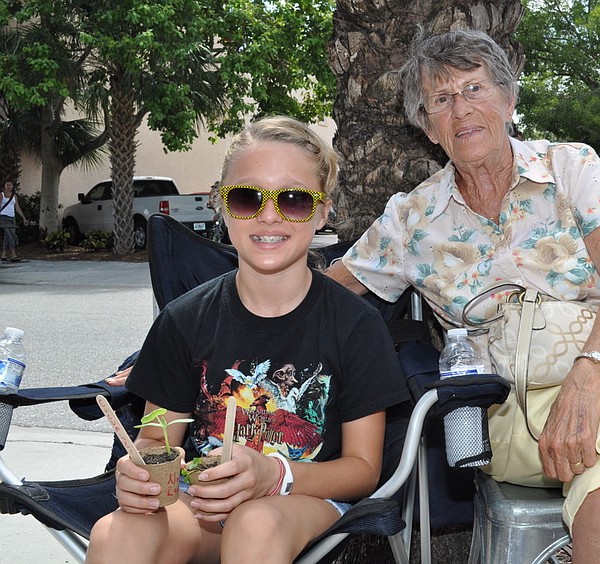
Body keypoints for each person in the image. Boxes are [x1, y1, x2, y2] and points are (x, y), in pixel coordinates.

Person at [326, 29, 600, 561]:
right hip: (508, 412)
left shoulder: (571, 167)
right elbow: (323, 294)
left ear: (510, 99)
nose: (462, 108)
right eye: (441, 99)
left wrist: (585, 381)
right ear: (426, 126)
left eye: (475, 89)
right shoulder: (412, 218)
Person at [87, 115, 410, 564]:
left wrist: (274, 474)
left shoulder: (355, 325)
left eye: (294, 200)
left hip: (300, 502)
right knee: (118, 533)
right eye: (246, 197)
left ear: (322, 212)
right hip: (197, 505)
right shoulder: (183, 320)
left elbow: (361, 470)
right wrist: (139, 471)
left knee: (255, 523)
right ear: (220, 205)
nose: (270, 215)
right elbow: (157, 439)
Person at [1, 181, 29, 262]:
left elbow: (17, 208)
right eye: (7, 185)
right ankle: (13, 254)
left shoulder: (14, 196)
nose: (9, 186)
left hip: (12, 217)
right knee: (11, 235)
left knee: (7, 235)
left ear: (12, 187)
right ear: (4, 186)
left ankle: (4, 254)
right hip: (3, 217)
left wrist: (24, 218)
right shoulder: (2, 195)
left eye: (10, 185)